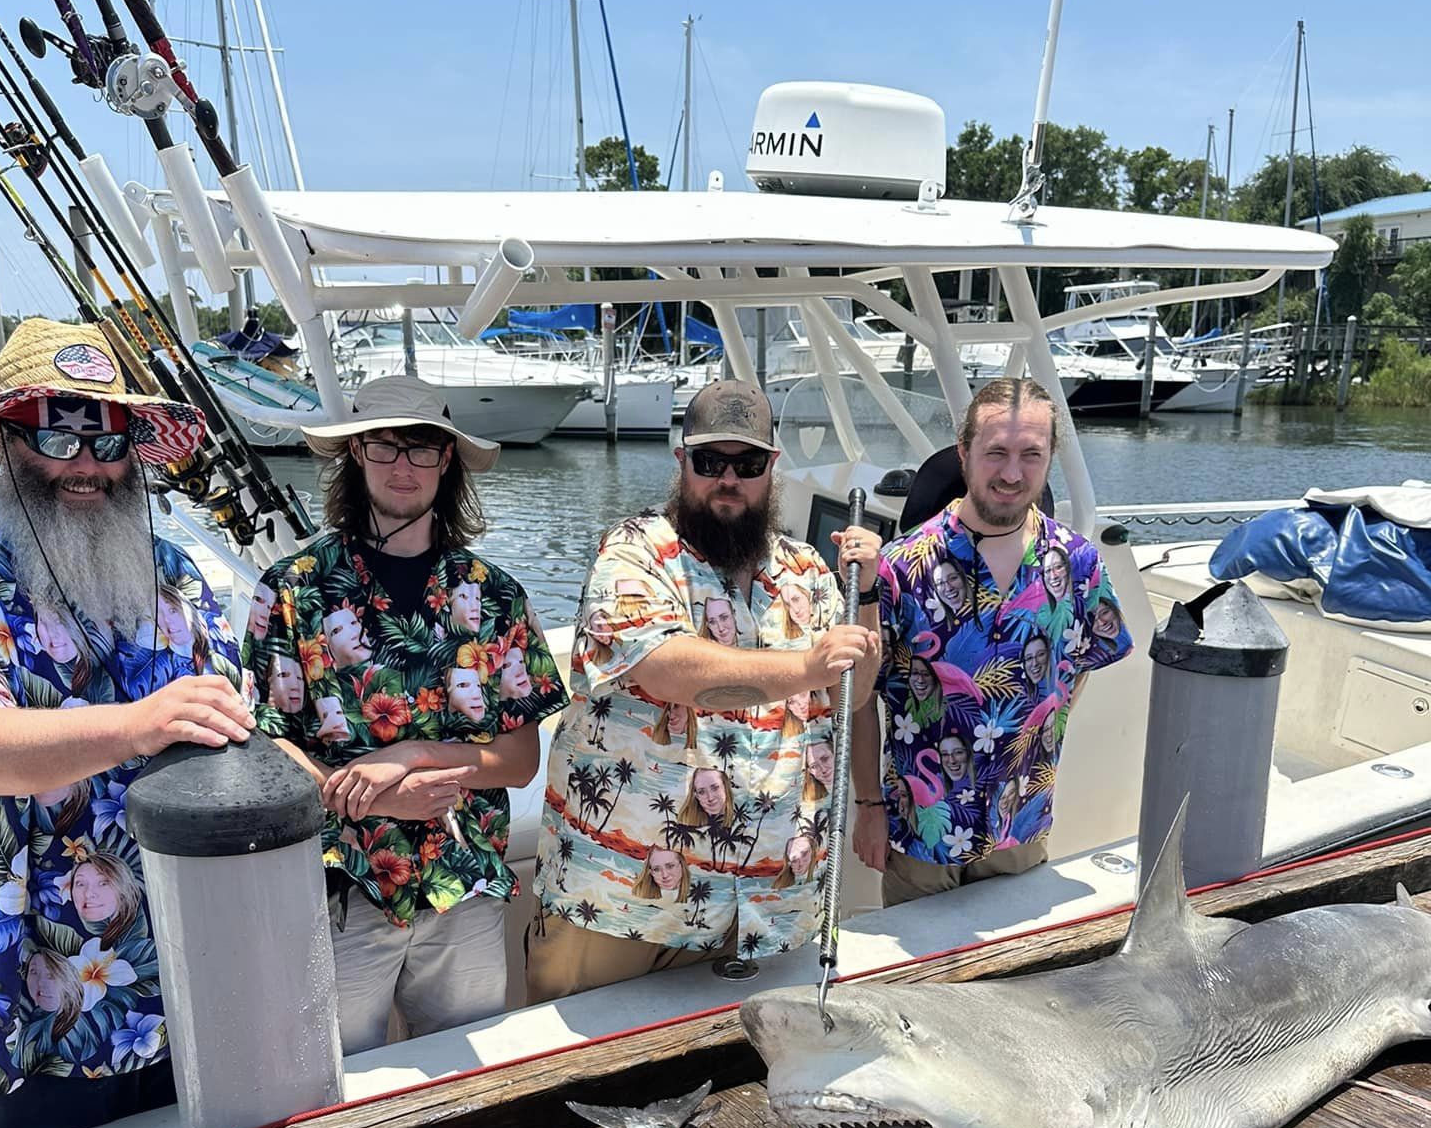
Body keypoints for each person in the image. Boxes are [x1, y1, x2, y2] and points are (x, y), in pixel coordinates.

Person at [0, 318, 251, 1128]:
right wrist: (136, 726)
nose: (87, 462)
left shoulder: (175, 572)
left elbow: (231, 714)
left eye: (110, 436)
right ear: (9, 444)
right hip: (21, 983)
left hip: (170, 969)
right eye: (58, 433)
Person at [529, 376, 881, 1001]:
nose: (728, 479)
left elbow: (852, 696)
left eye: (747, 463)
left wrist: (870, 594)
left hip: (767, 906)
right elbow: (666, 668)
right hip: (621, 905)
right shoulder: (633, 553)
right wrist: (806, 666)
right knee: (577, 1086)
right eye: (710, 461)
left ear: (772, 467)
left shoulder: (808, 570)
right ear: (681, 460)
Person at [243, 374, 564, 1054]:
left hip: (464, 884)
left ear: (446, 460)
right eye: (384, 447)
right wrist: (386, 799)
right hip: (340, 883)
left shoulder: (496, 596)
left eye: (421, 449)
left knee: (463, 1079)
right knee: (332, 1079)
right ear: (355, 454)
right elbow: (265, 742)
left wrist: (413, 758)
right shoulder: (291, 588)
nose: (402, 467)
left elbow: (519, 760)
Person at [854, 375, 1133, 902]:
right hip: (922, 833)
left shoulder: (1077, 564)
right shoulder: (900, 566)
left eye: (1031, 454)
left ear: (1050, 456)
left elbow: (1083, 659)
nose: (1012, 473)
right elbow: (860, 698)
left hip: (1021, 827)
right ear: (964, 453)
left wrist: (1040, 732)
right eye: (996, 452)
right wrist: (869, 807)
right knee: (918, 981)